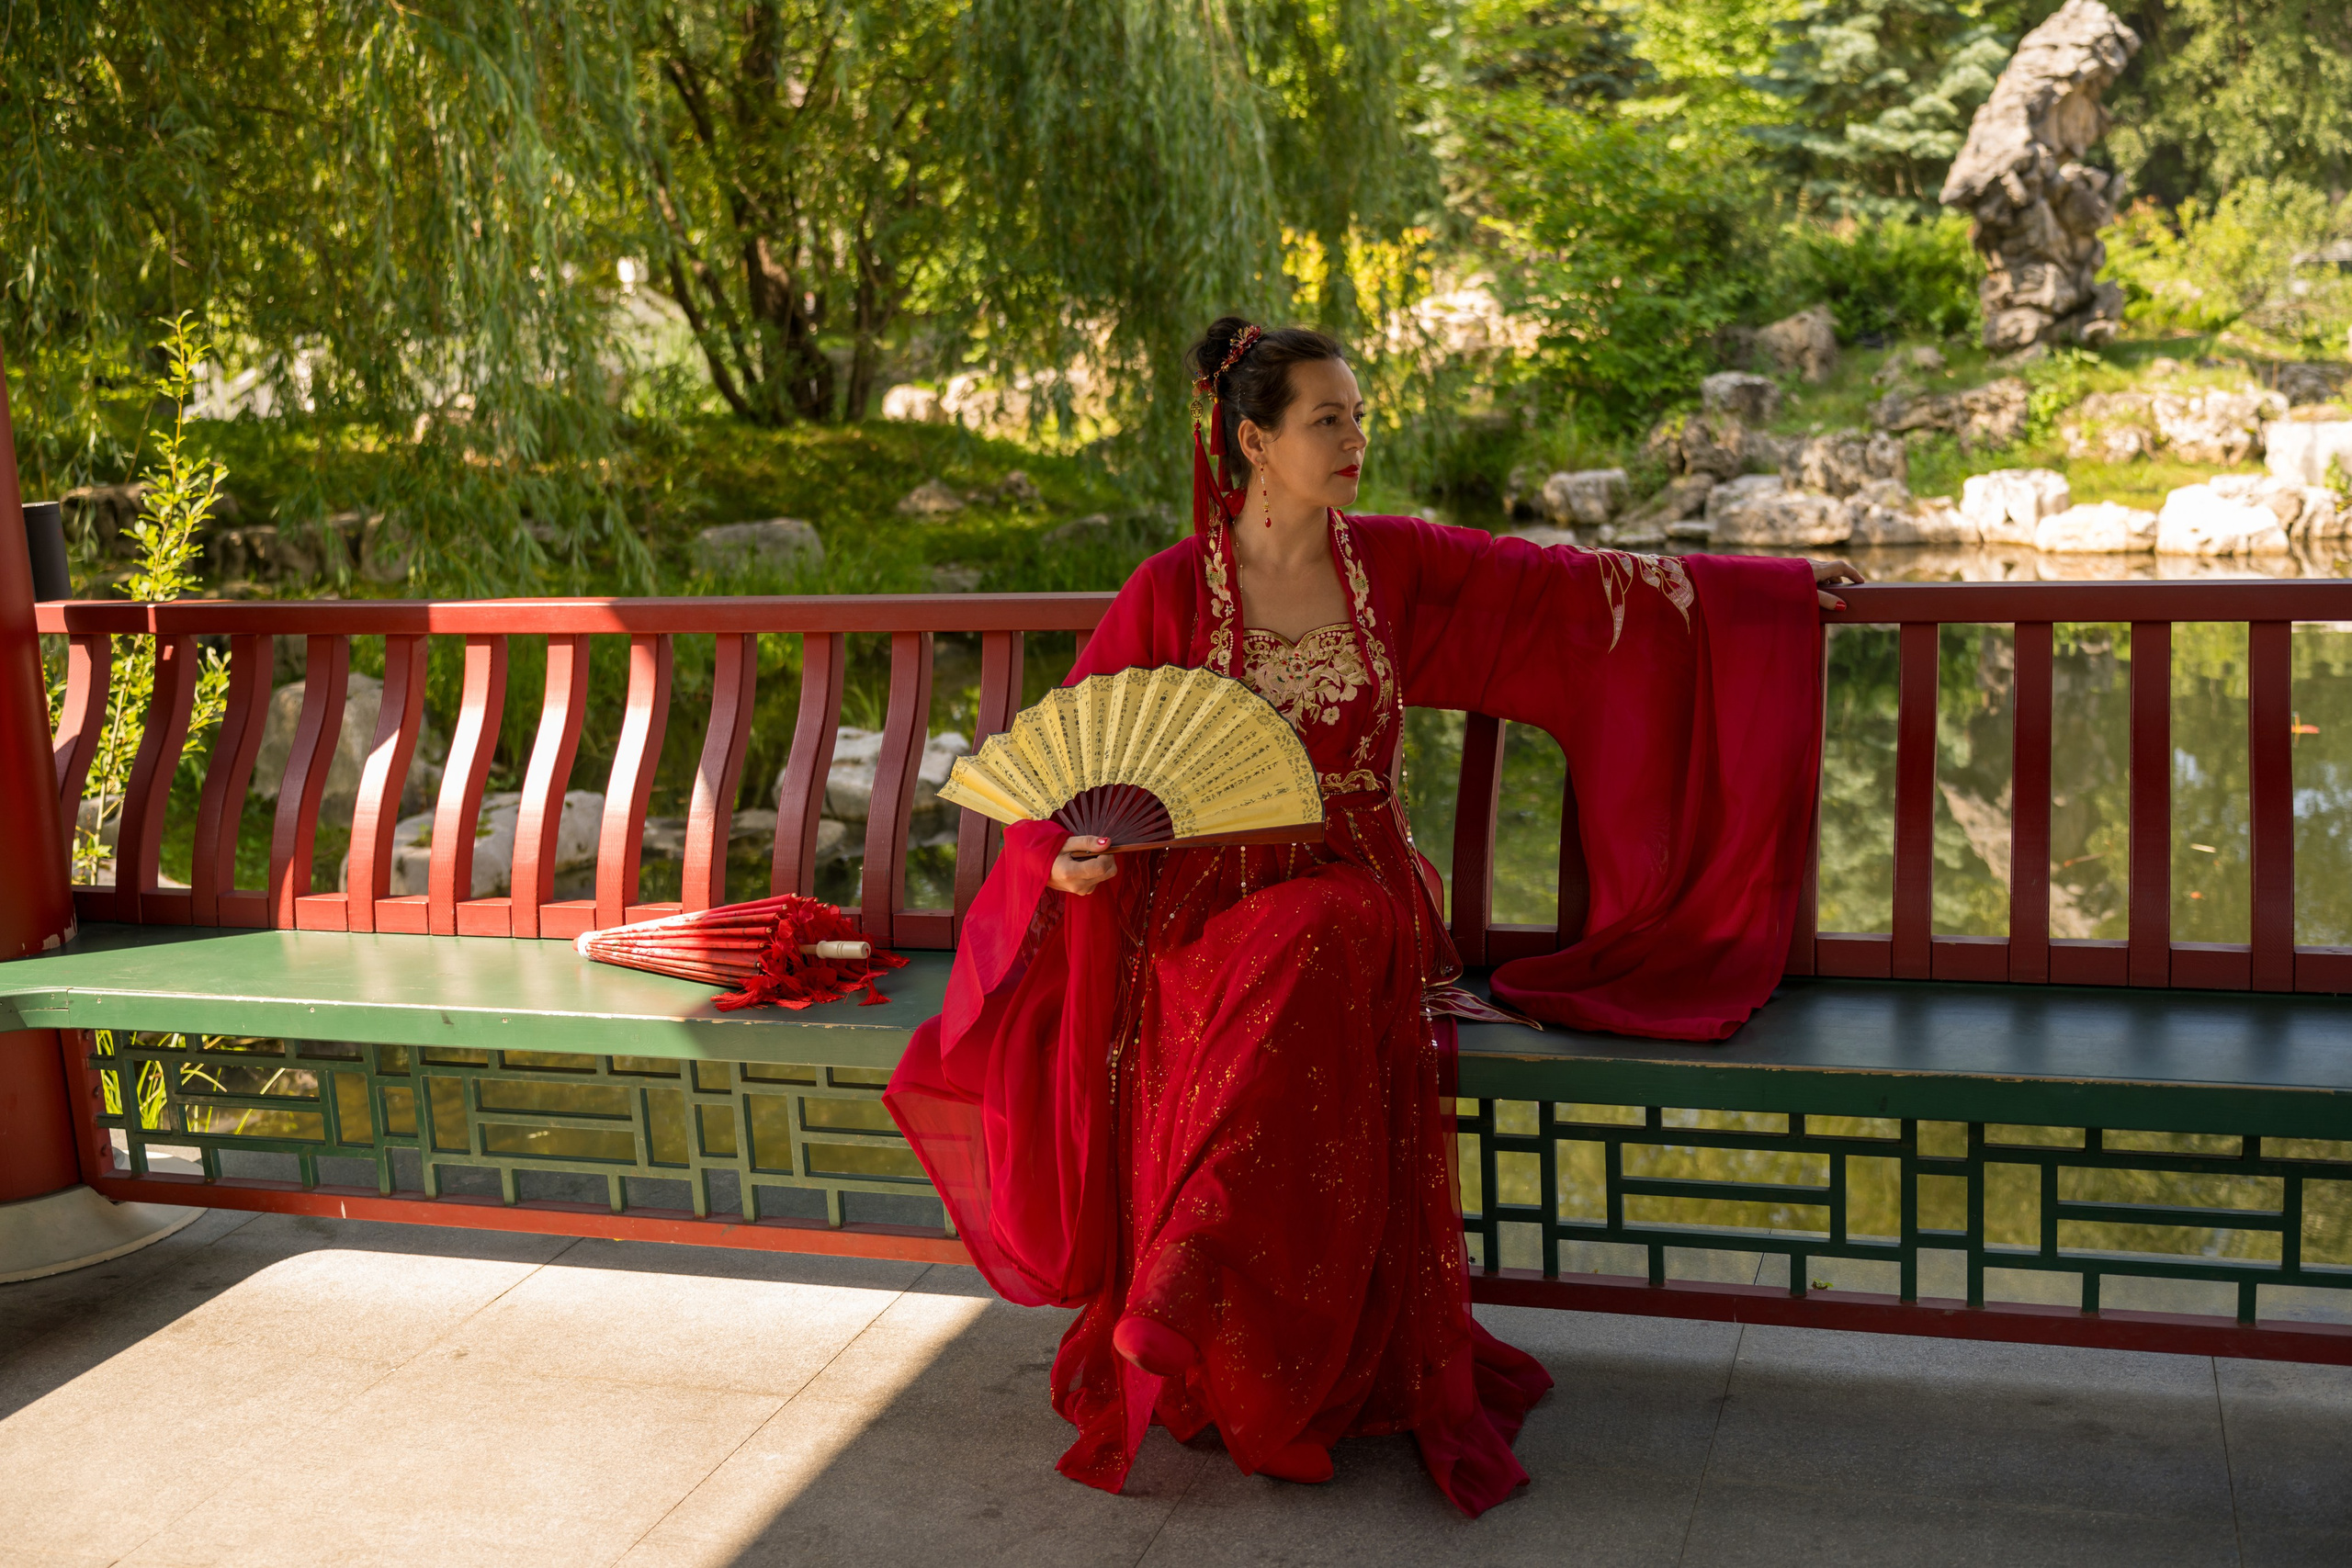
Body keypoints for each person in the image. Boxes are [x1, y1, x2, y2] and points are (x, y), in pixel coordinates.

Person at [885, 319, 1860, 1516]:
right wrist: (1069, 862)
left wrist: (1768, 591)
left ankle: (1186, 1284)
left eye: (1359, 414)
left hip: (1358, 896)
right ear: (1254, 439)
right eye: (1327, 419)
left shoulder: (1387, 566)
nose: (1356, 438)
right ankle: (1247, 1361)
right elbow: (1070, 771)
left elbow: (1562, 592)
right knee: (1267, 986)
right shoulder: (1172, 591)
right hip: (1198, 921)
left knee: (1322, 939)